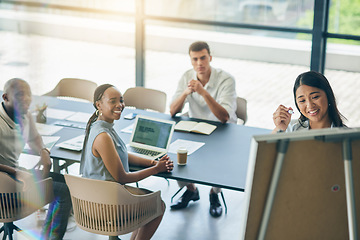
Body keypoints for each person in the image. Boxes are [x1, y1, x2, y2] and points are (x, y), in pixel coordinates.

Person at [80, 84, 174, 240]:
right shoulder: (103, 136)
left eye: (121, 100)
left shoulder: (99, 126)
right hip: (105, 204)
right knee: (158, 206)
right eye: (112, 101)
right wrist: (156, 170)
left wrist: (152, 162)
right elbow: (122, 177)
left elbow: (119, 154)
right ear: (99, 105)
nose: (120, 105)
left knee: (149, 205)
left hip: (97, 197)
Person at [169, 41, 237, 218]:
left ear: (210, 58)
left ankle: (214, 194)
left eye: (203, 58)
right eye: (195, 59)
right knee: (175, 152)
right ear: (191, 61)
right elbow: (172, 110)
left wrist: (203, 92)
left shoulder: (226, 79)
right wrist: (185, 93)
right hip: (195, 127)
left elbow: (224, 116)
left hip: (222, 128)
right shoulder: (186, 76)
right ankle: (191, 190)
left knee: (219, 160)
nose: (199, 63)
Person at [0, 78, 72, 240]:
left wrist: (43, 150)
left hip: (14, 180)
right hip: (5, 193)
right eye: (19, 95)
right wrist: (18, 172)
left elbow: (34, 138)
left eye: (28, 94)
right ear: (5, 97)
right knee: (64, 191)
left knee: (66, 182)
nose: (26, 99)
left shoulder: (24, 116)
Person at [272, 70, 346, 133]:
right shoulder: (291, 129)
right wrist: (280, 128)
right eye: (302, 100)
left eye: (315, 97)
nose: (310, 105)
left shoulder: (346, 135)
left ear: (328, 96)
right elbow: (268, 149)